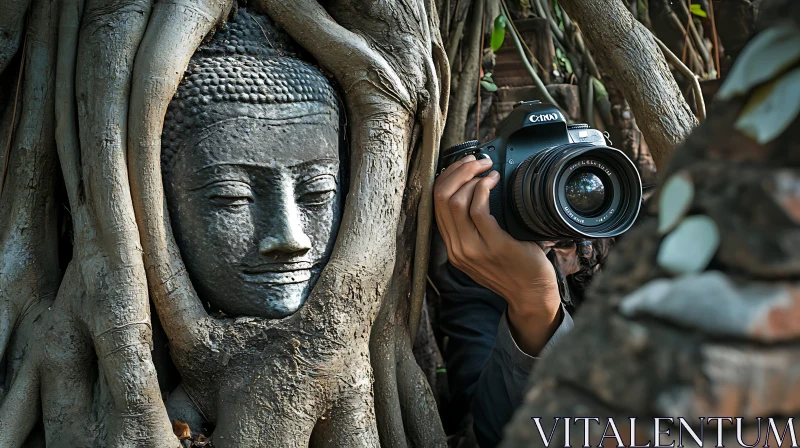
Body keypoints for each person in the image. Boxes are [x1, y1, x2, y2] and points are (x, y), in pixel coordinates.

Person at [431, 153, 608, 447]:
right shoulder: (479, 274)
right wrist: (534, 309)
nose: (554, 208)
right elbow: (489, 431)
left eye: (569, 183)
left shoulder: (639, 241)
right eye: (533, 186)